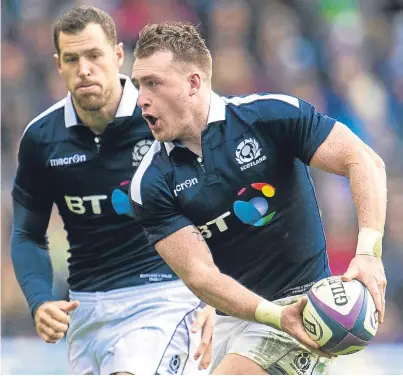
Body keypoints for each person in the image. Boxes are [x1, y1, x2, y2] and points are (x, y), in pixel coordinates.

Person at [129, 21, 387, 375]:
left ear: (193, 83)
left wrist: (368, 253)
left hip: (303, 304)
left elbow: (364, 161)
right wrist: (273, 316)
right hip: (234, 316)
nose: (141, 99)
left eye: (153, 84)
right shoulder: (150, 182)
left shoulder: (269, 115)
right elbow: (201, 275)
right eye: (137, 85)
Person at [11, 8, 214, 375]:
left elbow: (217, 205)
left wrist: (220, 299)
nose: (84, 69)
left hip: (163, 297)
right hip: (86, 309)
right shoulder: (42, 139)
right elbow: (27, 234)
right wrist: (41, 302)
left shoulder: (163, 117)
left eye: (94, 56)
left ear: (119, 56)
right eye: (72, 59)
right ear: (58, 64)